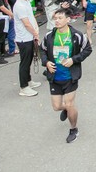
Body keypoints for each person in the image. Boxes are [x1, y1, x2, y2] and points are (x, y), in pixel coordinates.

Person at [39, 8, 92, 143]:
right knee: (57, 107)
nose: (57, 20)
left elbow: (88, 49)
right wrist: (46, 63)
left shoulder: (77, 35)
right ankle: (67, 110)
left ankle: (73, 128)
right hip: (55, 77)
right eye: (55, 18)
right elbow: (42, 50)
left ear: (68, 20)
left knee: (69, 104)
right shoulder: (49, 36)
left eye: (60, 18)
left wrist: (73, 60)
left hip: (70, 76)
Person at [13, 0, 41, 97]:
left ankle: (29, 80)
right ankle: (23, 87)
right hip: (24, 38)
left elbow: (31, 18)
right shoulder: (19, 5)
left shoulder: (26, 2)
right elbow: (26, 23)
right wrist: (35, 34)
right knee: (25, 62)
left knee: (29, 60)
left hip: (30, 36)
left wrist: (36, 30)